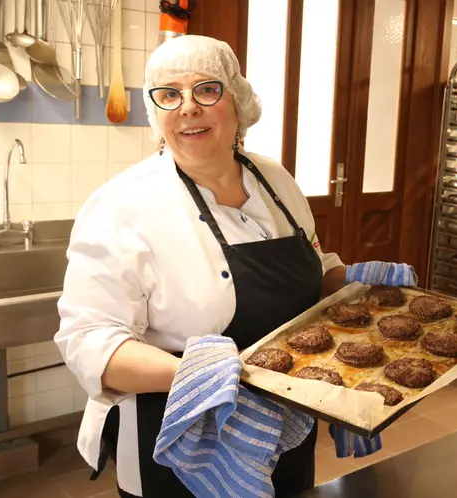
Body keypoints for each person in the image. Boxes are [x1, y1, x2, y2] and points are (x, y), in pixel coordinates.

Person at [54, 35, 417, 498]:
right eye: (169, 94)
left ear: (237, 99)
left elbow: (313, 267)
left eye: (206, 89)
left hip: (284, 423)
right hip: (175, 438)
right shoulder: (122, 205)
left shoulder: (277, 182)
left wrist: (350, 281)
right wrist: (198, 375)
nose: (188, 108)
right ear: (155, 110)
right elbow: (89, 342)